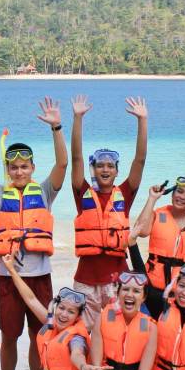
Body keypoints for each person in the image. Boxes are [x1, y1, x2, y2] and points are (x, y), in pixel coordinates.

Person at [0, 98, 67, 370]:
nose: (20, 171)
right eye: (14, 167)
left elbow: (63, 164)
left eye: (25, 166)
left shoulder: (46, 191)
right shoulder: (0, 194)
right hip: (7, 278)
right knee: (10, 336)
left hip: (39, 277)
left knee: (40, 335)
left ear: (33, 167)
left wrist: (56, 128)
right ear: (8, 169)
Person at [1, 255, 109, 370]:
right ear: (56, 307)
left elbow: (77, 354)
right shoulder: (51, 324)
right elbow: (31, 299)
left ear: (77, 317)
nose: (64, 315)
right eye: (62, 308)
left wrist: (84, 366)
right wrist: (11, 270)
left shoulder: (76, 336)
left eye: (71, 312)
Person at [70, 95, 149, 328]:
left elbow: (140, 160)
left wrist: (142, 120)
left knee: (116, 332)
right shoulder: (82, 192)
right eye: (100, 165)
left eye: (110, 166)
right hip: (85, 281)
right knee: (84, 334)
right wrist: (77, 118)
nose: (105, 169)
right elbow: (75, 159)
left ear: (116, 171)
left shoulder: (124, 194)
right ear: (93, 169)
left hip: (117, 281)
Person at [133, 179, 185, 318]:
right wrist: (152, 198)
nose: (182, 196)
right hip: (152, 288)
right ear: (172, 193)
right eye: (179, 191)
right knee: (148, 334)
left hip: (184, 295)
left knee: (176, 335)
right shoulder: (158, 214)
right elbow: (140, 231)